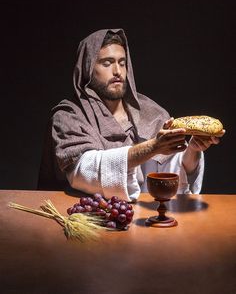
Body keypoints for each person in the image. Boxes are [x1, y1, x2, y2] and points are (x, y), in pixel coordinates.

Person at [38, 28, 224, 201]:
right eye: (107, 63)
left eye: (122, 62)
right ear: (87, 70)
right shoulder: (69, 116)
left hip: (145, 223)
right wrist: (153, 147)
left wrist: (191, 150)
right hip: (94, 221)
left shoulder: (151, 111)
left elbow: (168, 171)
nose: (117, 71)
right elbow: (85, 173)